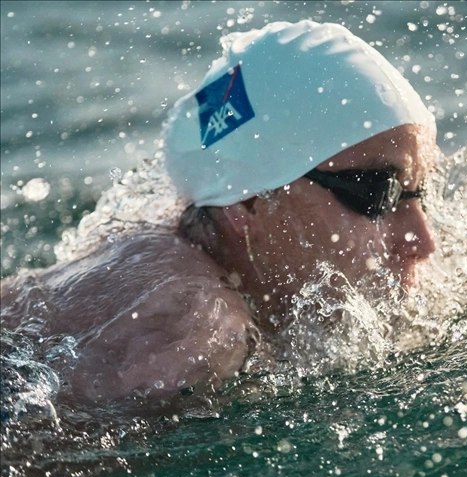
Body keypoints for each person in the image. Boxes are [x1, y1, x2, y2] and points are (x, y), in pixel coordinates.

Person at [0, 21, 438, 406]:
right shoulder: (191, 331)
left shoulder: (164, 250)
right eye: (375, 192)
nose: (422, 240)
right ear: (245, 203)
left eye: (419, 192)